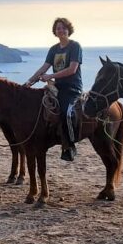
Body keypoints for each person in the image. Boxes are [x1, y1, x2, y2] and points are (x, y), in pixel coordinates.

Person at [25, 18, 82, 162]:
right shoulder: (53, 49)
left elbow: (72, 69)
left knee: (65, 112)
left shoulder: (75, 46)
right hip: (56, 87)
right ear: (55, 32)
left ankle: (69, 146)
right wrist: (30, 81)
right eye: (58, 28)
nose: (61, 30)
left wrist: (51, 75)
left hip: (71, 87)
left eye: (63, 28)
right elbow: (44, 67)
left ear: (69, 30)